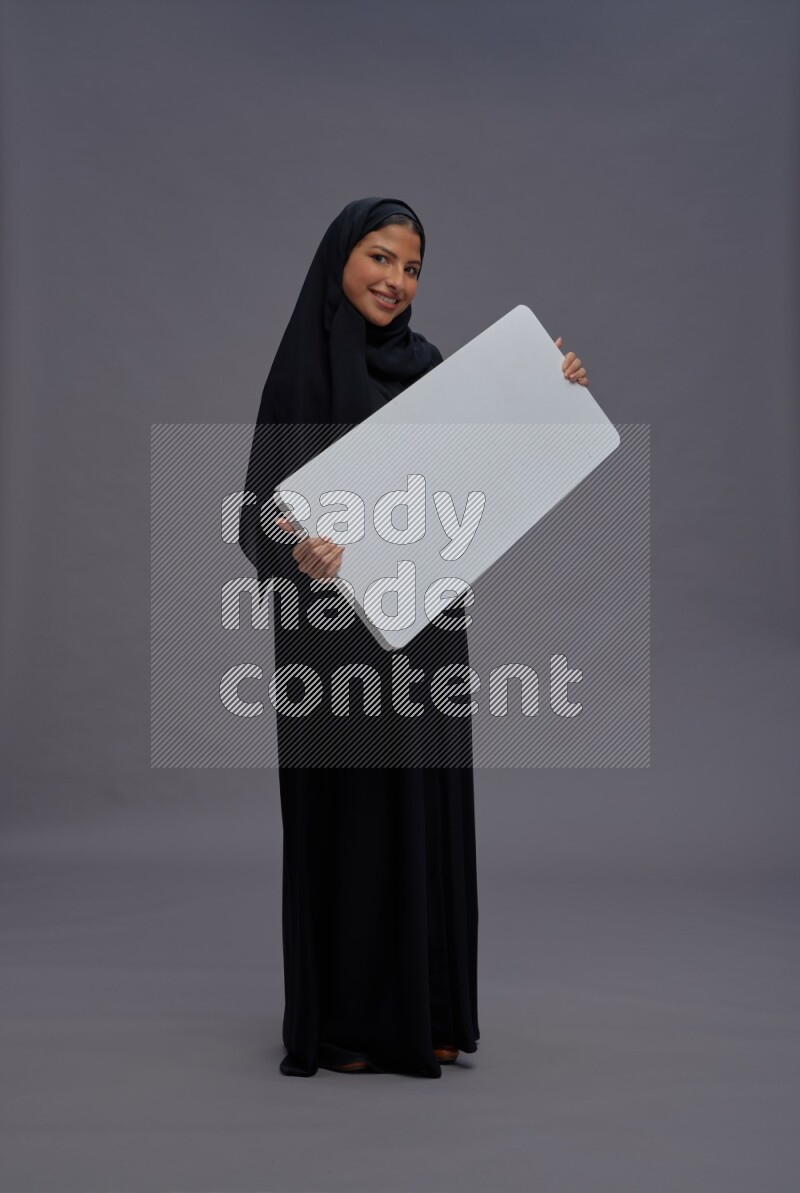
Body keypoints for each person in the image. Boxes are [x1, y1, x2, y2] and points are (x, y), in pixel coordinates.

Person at [239, 196, 588, 1078]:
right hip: (331, 639)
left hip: (425, 628)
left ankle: (430, 1012)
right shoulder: (300, 374)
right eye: (381, 257)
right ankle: (348, 1024)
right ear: (340, 259)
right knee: (353, 822)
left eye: (413, 267)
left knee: (424, 808)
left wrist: (556, 391)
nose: (396, 280)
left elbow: (488, 467)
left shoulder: (431, 369)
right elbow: (257, 516)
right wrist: (299, 547)